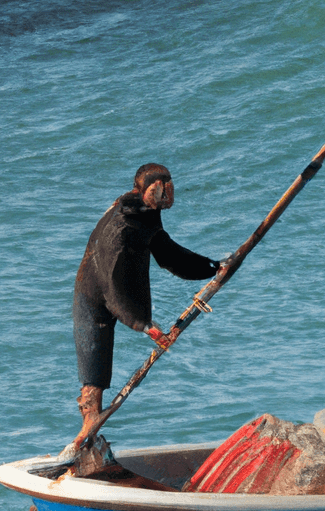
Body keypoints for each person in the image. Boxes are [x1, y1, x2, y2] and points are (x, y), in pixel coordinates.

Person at [71, 163, 221, 449]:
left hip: (111, 285)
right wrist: (145, 326)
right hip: (93, 292)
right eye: (165, 186)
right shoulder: (123, 225)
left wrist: (212, 267)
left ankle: (89, 437)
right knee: (94, 368)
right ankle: (86, 430)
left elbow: (168, 253)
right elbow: (113, 288)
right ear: (154, 189)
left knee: (97, 366)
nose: (170, 192)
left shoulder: (145, 215)